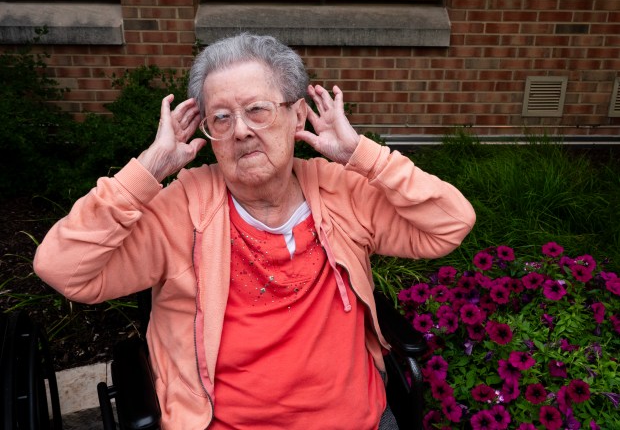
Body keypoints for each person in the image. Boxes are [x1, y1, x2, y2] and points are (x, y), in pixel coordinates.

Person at [34, 33, 476, 429]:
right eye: (221, 118)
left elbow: (450, 224)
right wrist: (149, 169)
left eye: (257, 111)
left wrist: (363, 155)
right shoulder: (183, 209)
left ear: (297, 116)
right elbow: (63, 269)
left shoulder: (340, 190)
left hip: (356, 417)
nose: (241, 130)